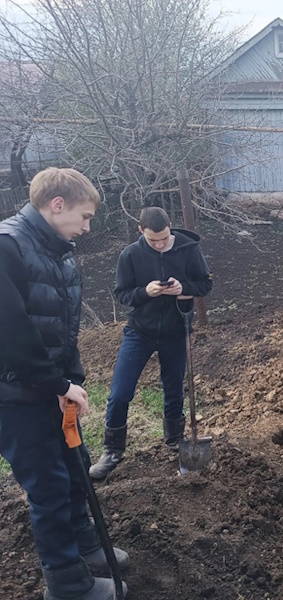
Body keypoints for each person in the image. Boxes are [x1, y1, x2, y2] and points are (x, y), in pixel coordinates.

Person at [0, 167, 130, 599]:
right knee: (49, 487)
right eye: (85, 216)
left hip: (48, 388)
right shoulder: (8, 246)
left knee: (75, 470)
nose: (87, 227)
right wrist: (56, 384)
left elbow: (64, 325)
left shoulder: (58, 249)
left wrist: (70, 381)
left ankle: (85, 550)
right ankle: (67, 583)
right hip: (15, 394)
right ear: (57, 206)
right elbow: (11, 332)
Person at [89, 207, 213, 480]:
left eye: (164, 238)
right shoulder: (131, 255)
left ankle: (174, 441)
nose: (159, 244)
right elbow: (122, 294)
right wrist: (145, 292)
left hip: (176, 331)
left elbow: (205, 284)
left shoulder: (188, 249)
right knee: (120, 392)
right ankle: (112, 451)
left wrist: (185, 289)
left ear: (171, 228)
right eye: (152, 240)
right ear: (140, 232)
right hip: (140, 332)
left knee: (173, 390)